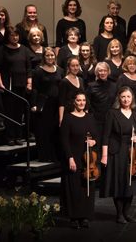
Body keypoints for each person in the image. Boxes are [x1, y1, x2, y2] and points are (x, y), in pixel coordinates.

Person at [100, 86, 136, 224]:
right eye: (123, 97)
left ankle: (126, 213)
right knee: (119, 183)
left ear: (132, 98)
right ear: (119, 98)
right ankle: (119, 214)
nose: (126, 99)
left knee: (131, 183)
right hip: (117, 152)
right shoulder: (112, 113)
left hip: (134, 152)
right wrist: (104, 156)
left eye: (128, 96)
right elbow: (106, 135)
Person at [60, 91, 98, 229]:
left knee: (86, 189)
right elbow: (64, 141)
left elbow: (96, 136)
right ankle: (74, 217)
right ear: (74, 102)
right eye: (79, 100)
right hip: (74, 159)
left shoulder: (90, 118)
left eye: (83, 100)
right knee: (74, 189)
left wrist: (94, 142)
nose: (81, 103)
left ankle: (85, 216)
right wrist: (70, 158)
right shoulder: (68, 118)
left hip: (88, 160)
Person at [30, 47, 64, 161]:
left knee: (55, 130)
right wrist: (33, 104)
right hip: (43, 104)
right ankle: (44, 156)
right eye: (48, 55)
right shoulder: (38, 71)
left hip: (56, 105)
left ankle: (54, 156)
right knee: (43, 131)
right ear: (44, 57)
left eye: (52, 55)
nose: (50, 57)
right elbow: (34, 89)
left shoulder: (59, 70)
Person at [86, 62, 116, 138]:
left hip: (110, 119)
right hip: (96, 119)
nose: (103, 73)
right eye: (100, 71)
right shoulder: (91, 86)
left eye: (105, 70)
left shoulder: (114, 86)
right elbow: (87, 103)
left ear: (108, 71)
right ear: (97, 72)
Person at [58, 57, 85, 127]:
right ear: (69, 67)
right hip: (69, 114)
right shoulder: (64, 82)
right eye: (73, 66)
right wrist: (61, 119)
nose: (75, 68)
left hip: (80, 114)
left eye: (77, 65)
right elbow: (61, 102)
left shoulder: (81, 79)